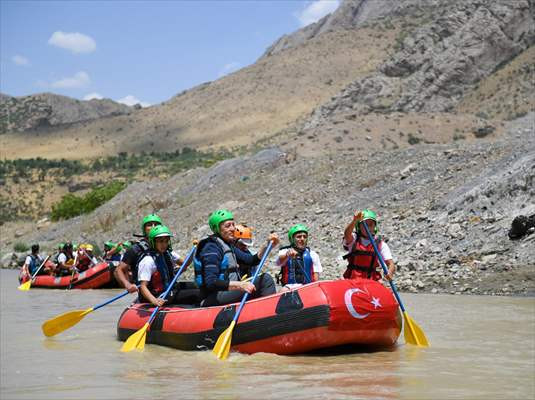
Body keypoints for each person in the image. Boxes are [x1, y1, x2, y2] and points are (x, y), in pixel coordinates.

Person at [194, 209, 279, 307]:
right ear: (217, 228)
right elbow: (211, 282)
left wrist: (267, 245)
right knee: (265, 279)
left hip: (225, 292)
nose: (233, 228)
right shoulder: (211, 247)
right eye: (227, 226)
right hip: (212, 297)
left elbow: (251, 260)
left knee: (263, 278)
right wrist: (240, 285)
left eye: (233, 224)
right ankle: (270, 311)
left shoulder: (227, 245)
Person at [114, 214, 163, 293]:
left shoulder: (164, 245)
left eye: (156, 224)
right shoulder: (136, 249)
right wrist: (128, 285)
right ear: (144, 229)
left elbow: (182, 263)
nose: (154, 227)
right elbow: (118, 270)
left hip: (164, 287)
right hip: (149, 291)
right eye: (150, 225)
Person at [342, 209, 396, 281]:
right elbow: (347, 234)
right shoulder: (354, 239)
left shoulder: (381, 244)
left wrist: (390, 273)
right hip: (353, 279)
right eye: (364, 225)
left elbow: (390, 264)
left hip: (371, 280)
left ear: (374, 227)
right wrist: (354, 221)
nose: (368, 228)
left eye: (370, 225)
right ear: (359, 227)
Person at [276, 224, 322, 291]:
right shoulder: (284, 252)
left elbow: (316, 276)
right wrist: (287, 255)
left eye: (305, 237)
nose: (302, 239)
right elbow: (278, 262)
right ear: (292, 239)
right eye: (299, 237)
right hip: (290, 287)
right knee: (283, 291)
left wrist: (315, 288)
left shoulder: (313, 254)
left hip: (308, 286)